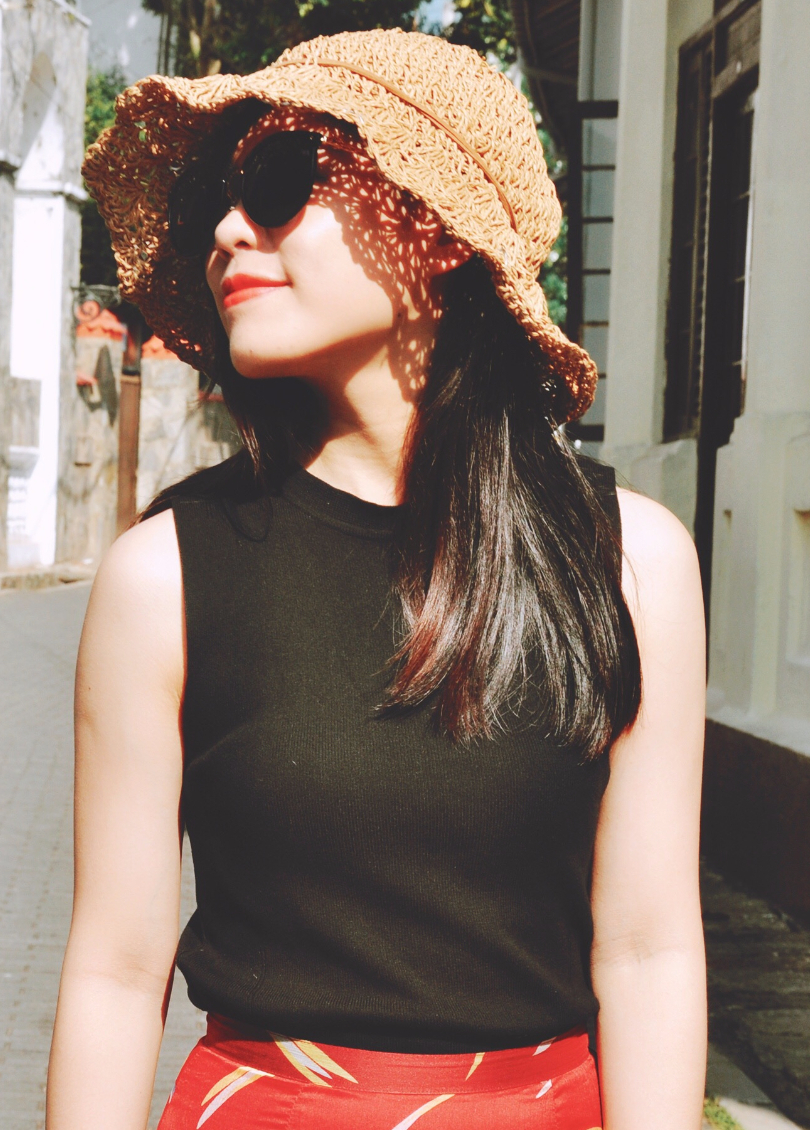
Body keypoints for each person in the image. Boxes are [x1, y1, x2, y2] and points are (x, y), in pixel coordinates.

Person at [48, 29, 707, 1130]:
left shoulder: (629, 562)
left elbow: (647, 951)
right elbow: (115, 970)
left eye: (277, 181)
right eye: (221, 198)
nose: (227, 230)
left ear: (436, 223)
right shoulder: (164, 576)